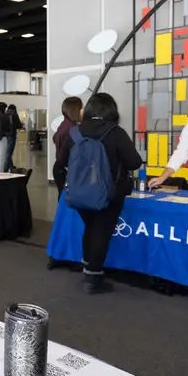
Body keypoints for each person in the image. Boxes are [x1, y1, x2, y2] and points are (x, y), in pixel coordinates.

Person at [56, 93, 144, 294]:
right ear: (112, 110)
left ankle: (87, 266)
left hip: (79, 192)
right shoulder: (116, 132)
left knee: (90, 227)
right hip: (109, 194)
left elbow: (61, 162)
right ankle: (93, 278)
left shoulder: (75, 132)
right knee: (101, 232)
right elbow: (134, 162)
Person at [52, 97, 84, 198]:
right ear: (75, 110)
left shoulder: (64, 124)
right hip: (64, 170)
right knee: (66, 199)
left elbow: (54, 138)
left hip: (58, 168)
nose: (84, 111)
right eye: (82, 108)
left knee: (62, 198)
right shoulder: (73, 129)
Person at [4, 103, 23, 171]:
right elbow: (19, 125)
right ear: (14, 109)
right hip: (12, 136)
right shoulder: (14, 114)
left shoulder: (5, 114)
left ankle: (11, 166)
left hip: (5, 136)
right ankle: (5, 169)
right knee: (9, 153)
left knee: (7, 152)